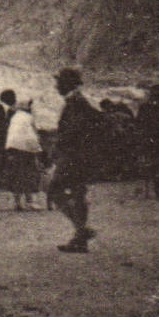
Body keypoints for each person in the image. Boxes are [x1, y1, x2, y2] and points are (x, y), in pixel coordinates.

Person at [51, 68, 103, 253]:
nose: (56, 86)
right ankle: (80, 237)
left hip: (73, 156)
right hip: (83, 156)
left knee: (54, 190)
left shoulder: (75, 102)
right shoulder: (80, 101)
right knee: (78, 193)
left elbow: (74, 130)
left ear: (67, 83)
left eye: (59, 82)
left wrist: (59, 144)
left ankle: (81, 230)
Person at [3, 99, 42, 210]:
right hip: (27, 148)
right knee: (29, 173)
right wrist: (38, 148)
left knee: (16, 174)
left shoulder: (14, 118)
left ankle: (17, 202)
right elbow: (34, 133)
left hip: (12, 147)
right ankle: (29, 201)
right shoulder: (29, 117)